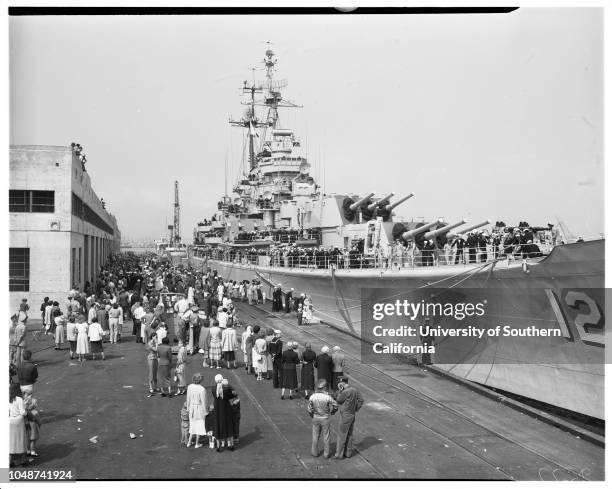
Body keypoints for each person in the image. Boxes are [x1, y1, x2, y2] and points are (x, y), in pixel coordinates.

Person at [334, 376, 364, 459]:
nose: (338, 384)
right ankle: (348, 453)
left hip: (345, 416)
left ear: (342, 382)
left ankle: (339, 454)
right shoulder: (354, 389)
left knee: (341, 435)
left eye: (339, 382)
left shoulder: (345, 392)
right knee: (350, 434)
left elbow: (339, 400)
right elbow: (361, 400)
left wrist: (340, 391)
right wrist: (355, 409)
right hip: (352, 415)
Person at [307, 379, 338, 458]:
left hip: (315, 418)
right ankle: (326, 454)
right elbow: (335, 405)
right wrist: (333, 412)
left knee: (315, 436)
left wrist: (312, 415)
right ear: (324, 387)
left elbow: (309, 409)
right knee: (326, 436)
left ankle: (314, 452)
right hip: (325, 418)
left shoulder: (312, 396)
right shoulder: (327, 397)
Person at [186, 373, 211, 448]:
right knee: (199, 426)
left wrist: (188, 408)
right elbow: (204, 402)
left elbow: (188, 398)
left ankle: (189, 443)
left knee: (192, 425)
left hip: (191, 408)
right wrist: (206, 412)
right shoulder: (202, 389)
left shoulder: (190, 386)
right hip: (199, 409)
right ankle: (197, 444)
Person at [213, 374, 236, 452]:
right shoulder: (226, 389)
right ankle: (231, 444)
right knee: (229, 425)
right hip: (226, 409)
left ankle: (219, 446)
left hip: (217, 409)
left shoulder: (213, 389)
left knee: (218, 426)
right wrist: (228, 385)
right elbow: (233, 395)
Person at [9, 383, 28, 467]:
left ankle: (10, 461)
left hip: (10, 420)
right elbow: (23, 412)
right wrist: (27, 412)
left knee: (11, 440)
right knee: (22, 439)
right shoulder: (19, 399)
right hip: (19, 420)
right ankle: (23, 460)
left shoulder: (8, 399)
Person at [23, 391, 41, 457]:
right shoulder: (35, 412)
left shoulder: (24, 413)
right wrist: (39, 425)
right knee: (33, 441)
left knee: (28, 440)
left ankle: (28, 451)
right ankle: (32, 452)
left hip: (27, 428)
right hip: (33, 428)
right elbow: (39, 421)